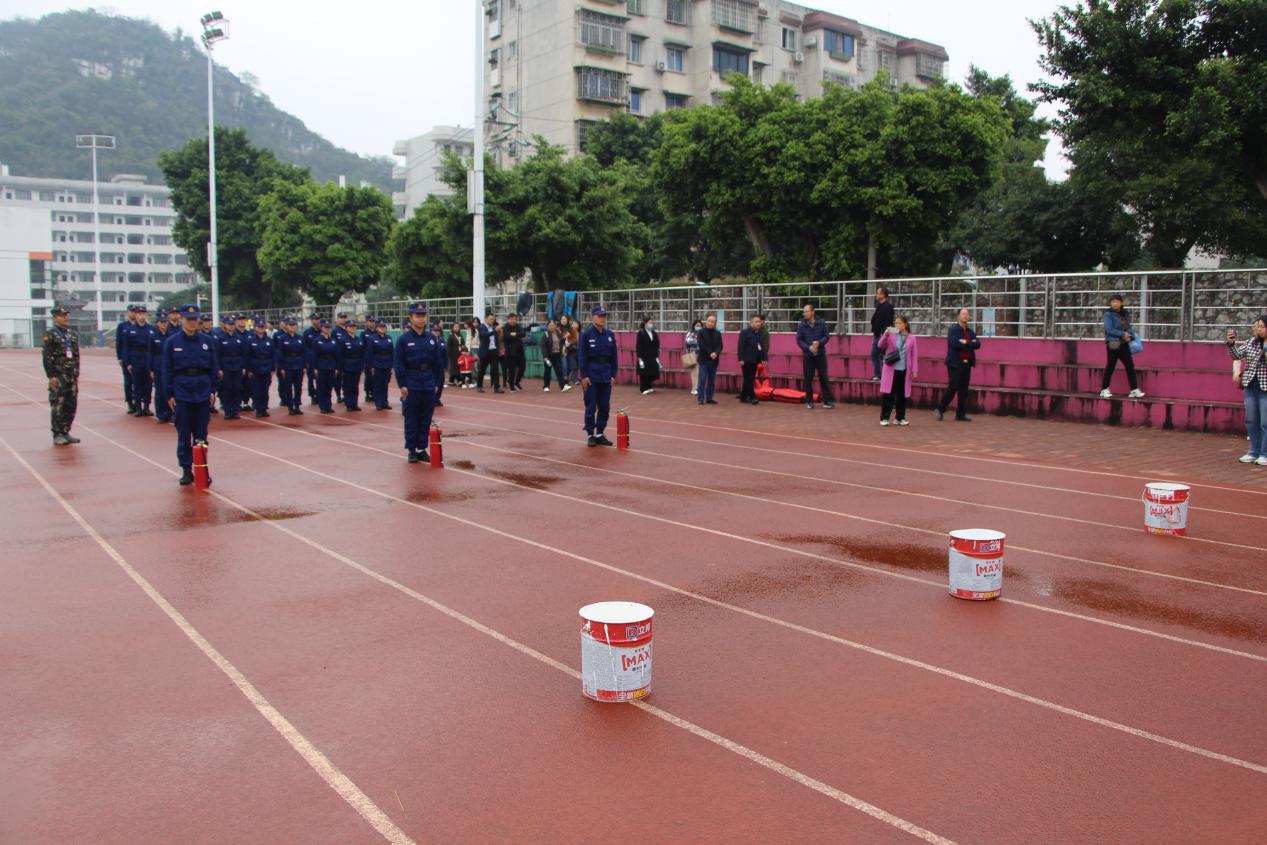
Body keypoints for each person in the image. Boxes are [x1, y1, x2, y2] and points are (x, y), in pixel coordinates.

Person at [162, 304, 218, 486]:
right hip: (182, 390)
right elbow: (167, 370)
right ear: (182, 319)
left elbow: (213, 366)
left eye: (195, 319)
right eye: (189, 319)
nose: (192, 322)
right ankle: (186, 469)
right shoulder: (172, 342)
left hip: (202, 389)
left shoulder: (207, 341)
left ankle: (201, 467)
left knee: (201, 433)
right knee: (184, 433)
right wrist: (169, 393)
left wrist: (213, 390)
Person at [394, 302, 446, 464]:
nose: (421, 318)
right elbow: (399, 363)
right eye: (417, 315)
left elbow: (437, 362)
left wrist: (437, 383)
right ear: (411, 318)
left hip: (428, 382)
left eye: (423, 315)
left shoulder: (431, 338)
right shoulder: (404, 339)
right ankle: (411, 449)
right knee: (411, 417)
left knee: (426, 417)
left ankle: (422, 448)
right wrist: (402, 385)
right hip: (411, 382)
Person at [1227, 317, 1267, 466]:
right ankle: (1253, 451)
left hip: (1265, 386)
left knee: (1265, 421)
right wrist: (1231, 344)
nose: (1258, 329)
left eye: (1262, 327)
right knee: (1251, 419)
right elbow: (1236, 355)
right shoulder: (1251, 342)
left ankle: (1265, 453)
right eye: (1257, 327)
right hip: (1251, 384)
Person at [578, 304, 617, 446]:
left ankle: (600, 433)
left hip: (606, 375)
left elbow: (614, 357)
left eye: (604, 316)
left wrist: (613, 374)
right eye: (599, 316)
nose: (602, 318)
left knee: (604, 406)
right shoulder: (586, 335)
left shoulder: (610, 335)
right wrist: (584, 375)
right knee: (591, 406)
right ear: (592, 317)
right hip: (591, 375)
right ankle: (590, 434)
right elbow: (582, 356)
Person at [43, 305, 81, 446]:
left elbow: (76, 355)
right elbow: (47, 356)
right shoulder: (51, 334)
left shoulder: (71, 334)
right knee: (59, 404)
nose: (66, 317)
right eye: (62, 315)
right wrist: (51, 376)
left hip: (71, 375)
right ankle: (57, 433)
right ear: (55, 317)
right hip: (59, 375)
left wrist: (76, 371)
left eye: (67, 315)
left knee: (71, 404)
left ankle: (66, 431)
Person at [936, 308, 980, 422]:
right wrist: (970, 343)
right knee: (953, 386)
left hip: (967, 362)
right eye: (963, 314)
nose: (965, 316)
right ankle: (940, 408)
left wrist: (965, 342)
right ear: (959, 316)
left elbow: (978, 344)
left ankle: (960, 413)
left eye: (967, 314)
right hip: (955, 363)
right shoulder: (953, 330)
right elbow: (954, 344)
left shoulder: (970, 331)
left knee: (964, 389)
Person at [1100, 294, 1146, 400]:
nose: (1115, 303)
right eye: (1113, 301)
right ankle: (1104, 389)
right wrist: (1122, 334)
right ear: (1110, 303)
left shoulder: (1124, 314)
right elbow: (1109, 329)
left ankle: (1134, 389)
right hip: (1114, 344)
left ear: (1121, 303)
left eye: (1117, 301)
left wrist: (1130, 335)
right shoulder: (1108, 315)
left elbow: (1129, 327)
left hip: (1124, 344)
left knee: (1130, 366)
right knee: (1110, 366)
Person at [878, 316, 919, 426]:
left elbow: (914, 355)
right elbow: (880, 345)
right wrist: (885, 334)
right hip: (891, 369)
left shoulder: (912, 338)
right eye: (895, 323)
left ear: (905, 324)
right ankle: (884, 418)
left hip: (904, 370)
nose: (897, 325)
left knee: (902, 395)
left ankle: (900, 418)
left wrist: (914, 370)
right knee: (888, 394)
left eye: (899, 323)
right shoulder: (891, 335)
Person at [796, 304, 835, 410]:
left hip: (820, 354)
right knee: (808, 378)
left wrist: (819, 343)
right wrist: (808, 347)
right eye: (804, 312)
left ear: (813, 312)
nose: (805, 313)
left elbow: (826, 336)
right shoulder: (801, 325)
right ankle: (809, 401)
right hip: (808, 355)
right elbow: (799, 340)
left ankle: (827, 401)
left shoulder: (821, 322)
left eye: (807, 311)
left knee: (823, 377)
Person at [121, 306, 157, 416]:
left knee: (148, 384)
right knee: (137, 384)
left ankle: (146, 406)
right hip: (135, 359)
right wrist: (127, 363)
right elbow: (126, 348)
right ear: (136, 315)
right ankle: (138, 407)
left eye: (144, 314)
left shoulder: (151, 329)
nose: (142, 316)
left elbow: (154, 348)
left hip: (148, 358)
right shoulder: (130, 330)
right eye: (139, 314)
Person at [214, 315, 246, 420]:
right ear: (225, 325)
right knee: (227, 389)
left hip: (237, 366)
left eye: (232, 324)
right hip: (226, 367)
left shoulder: (239, 338)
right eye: (229, 324)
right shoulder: (221, 338)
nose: (231, 326)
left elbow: (243, 353)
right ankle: (228, 410)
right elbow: (217, 354)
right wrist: (219, 368)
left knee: (237, 389)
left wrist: (243, 367)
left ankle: (236, 410)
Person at [275, 317, 307, 415]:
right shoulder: (283, 338)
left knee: (298, 386)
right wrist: (281, 368)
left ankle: (297, 405)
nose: (292, 327)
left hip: (298, 365)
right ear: (287, 326)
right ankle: (290, 406)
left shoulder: (300, 338)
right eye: (290, 325)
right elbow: (280, 354)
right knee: (288, 387)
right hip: (287, 365)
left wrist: (305, 366)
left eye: (294, 325)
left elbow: (304, 353)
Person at [308, 320, 341, 414]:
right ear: (321, 328)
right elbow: (314, 355)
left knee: (329, 387)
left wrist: (337, 367)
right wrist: (314, 368)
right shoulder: (317, 340)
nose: (327, 329)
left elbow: (337, 355)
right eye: (325, 327)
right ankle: (322, 405)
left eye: (328, 327)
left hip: (331, 365)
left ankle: (328, 405)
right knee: (322, 387)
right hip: (321, 365)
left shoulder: (333, 340)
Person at [245, 317, 275, 417]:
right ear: (255, 328)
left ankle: (264, 408)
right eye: (259, 326)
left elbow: (273, 355)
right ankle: (258, 409)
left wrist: (273, 368)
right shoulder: (250, 340)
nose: (261, 328)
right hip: (255, 367)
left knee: (265, 390)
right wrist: (249, 369)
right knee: (256, 390)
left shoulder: (269, 340)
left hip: (266, 366)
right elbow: (247, 355)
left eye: (263, 326)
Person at [148, 310, 174, 424]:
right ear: (157, 323)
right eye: (161, 322)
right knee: (159, 391)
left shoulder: (171, 336)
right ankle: (161, 414)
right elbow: (150, 353)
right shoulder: (153, 336)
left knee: (169, 390)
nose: (163, 324)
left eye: (165, 322)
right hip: (158, 367)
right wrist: (151, 369)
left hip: (169, 367)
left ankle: (170, 413)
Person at [365, 319, 396, 410]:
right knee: (378, 384)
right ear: (376, 328)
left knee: (385, 384)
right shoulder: (372, 338)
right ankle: (378, 403)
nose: (382, 329)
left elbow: (392, 352)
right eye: (380, 327)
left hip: (387, 364)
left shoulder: (389, 338)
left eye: (384, 327)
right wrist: (371, 366)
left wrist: (391, 365)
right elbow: (370, 353)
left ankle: (385, 402)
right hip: (377, 364)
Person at [737, 315, 767, 405]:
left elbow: (762, 346)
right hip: (746, 359)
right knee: (750, 378)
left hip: (755, 359)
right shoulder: (745, 332)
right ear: (751, 323)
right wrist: (741, 358)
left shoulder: (759, 333)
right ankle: (752, 396)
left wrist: (764, 358)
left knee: (748, 378)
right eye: (756, 322)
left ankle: (743, 396)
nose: (759, 323)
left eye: (759, 322)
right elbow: (740, 346)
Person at [338, 320, 366, 412]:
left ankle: (354, 403)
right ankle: (349, 403)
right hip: (347, 365)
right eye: (350, 326)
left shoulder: (359, 339)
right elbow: (341, 355)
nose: (353, 328)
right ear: (346, 328)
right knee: (348, 385)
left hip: (357, 365)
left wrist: (362, 365)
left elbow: (362, 354)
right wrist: (341, 368)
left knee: (355, 385)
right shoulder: (343, 340)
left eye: (354, 326)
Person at [696, 314, 723, 405]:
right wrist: (710, 353)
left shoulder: (718, 333)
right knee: (702, 379)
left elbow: (720, 345)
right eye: (709, 321)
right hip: (704, 360)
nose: (711, 323)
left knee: (712, 380)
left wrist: (716, 353)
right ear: (706, 321)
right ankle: (700, 398)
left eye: (713, 321)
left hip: (714, 360)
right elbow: (701, 345)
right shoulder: (701, 332)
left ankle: (709, 398)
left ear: (715, 323)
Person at [114, 305, 137, 413]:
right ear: (128, 312)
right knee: (128, 382)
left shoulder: (140, 326)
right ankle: (130, 403)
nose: (134, 313)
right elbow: (119, 343)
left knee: (139, 382)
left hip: (138, 358)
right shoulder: (122, 326)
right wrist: (119, 357)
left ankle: (138, 402)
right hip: (126, 358)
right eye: (132, 311)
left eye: (135, 311)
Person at [870, 286, 895, 381]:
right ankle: (878, 374)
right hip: (876, 334)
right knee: (874, 355)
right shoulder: (879, 305)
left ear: (883, 295)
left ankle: (885, 375)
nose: (876, 295)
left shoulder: (888, 306)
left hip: (883, 335)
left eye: (878, 293)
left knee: (881, 356)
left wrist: (883, 334)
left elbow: (889, 321)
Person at [476, 313, 503, 393]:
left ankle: (497, 387)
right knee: (482, 370)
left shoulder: (493, 327)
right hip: (485, 352)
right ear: (486, 319)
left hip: (493, 351)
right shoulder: (481, 327)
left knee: (495, 370)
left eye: (493, 319)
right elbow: (484, 335)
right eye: (491, 319)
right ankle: (479, 386)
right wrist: (495, 331)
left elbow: (497, 339)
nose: (492, 321)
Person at [502, 313, 527, 391]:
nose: (513, 321)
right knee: (512, 370)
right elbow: (506, 336)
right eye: (511, 319)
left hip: (520, 351)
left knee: (523, 367)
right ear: (508, 319)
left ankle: (517, 382)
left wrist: (515, 334)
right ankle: (512, 386)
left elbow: (523, 334)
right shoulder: (505, 327)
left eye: (514, 319)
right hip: (510, 352)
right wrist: (516, 336)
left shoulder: (518, 326)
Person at [636, 317, 661, 395]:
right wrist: (640, 357)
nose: (651, 324)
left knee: (652, 371)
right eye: (649, 323)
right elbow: (639, 345)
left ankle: (649, 386)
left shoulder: (653, 332)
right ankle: (643, 388)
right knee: (644, 372)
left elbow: (657, 343)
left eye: (652, 323)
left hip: (652, 355)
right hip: (644, 356)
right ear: (645, 323)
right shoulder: (641, 332)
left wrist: (657, 352)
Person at [541, 319, 567, 391]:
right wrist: (545, 357)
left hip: (557, 355)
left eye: (553, 325)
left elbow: (562, 342)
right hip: (549, 356)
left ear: (556, 325)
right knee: (547, 371)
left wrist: (564, 347)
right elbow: (543, 346)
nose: (552, 326)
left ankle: (562, 386)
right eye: (550, 325)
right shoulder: (545, 334)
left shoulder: (558, 333)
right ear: (548, 326)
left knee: (559, 371)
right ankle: (546, 386)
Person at [302, 313, 322, 405]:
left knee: (320, 378)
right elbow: (305, 347)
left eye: (318, 319)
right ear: (311, 320)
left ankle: (319, 394)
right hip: (311, 358)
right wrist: (307, 359)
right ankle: (312, 395)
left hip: (321, 358)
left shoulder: (322, 331)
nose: (316, 321)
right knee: (311, 378)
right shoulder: (307, 332)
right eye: (315, 319)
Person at [361, 317, 378, 405]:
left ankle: (374, 393)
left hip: (376, 358)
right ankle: (368, 393)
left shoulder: (376, 332)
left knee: (375, 378)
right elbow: (363, 347)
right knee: (368, 377)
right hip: (367, 359)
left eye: (373, 321)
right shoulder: (364, 333)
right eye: (370, 321)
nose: (372, 323)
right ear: (367, 322)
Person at [684, 320, 702, 396]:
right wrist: (697, 340)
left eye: (700, 326)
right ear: (694, 326)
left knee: (701, 373)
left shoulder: (703, 333)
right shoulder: (690, 333)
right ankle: (694, 389)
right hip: (693, 355)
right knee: (695, 373)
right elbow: (687, 342)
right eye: (697, 325)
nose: (698, 327)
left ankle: (699, 387)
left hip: (702, 355)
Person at [562, 316, 580, 385]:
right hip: (570, 350)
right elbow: (565, 338)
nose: (574, 325)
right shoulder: (570, 331)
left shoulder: (580, 332)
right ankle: (574, 379)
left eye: (576, 324)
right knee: (573, 366)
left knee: (574, 366)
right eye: (573, 324)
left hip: (577, 351)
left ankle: (567, 378)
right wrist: (570, 343)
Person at [446, 320, 462, 385]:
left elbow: (462, 344)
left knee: (457, 367)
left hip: (459, 354)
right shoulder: (451, 336)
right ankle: (459, 380)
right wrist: (449, 355)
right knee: (455, 368)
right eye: (455, 327)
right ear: (452, 328)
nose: (456, 328)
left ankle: (451, 381)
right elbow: (448, 346)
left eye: (458, 327)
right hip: (453, 355)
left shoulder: (460, 335)